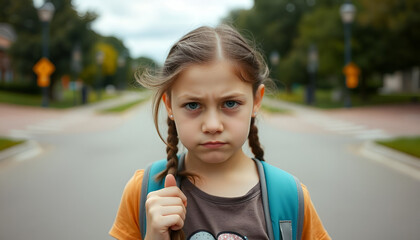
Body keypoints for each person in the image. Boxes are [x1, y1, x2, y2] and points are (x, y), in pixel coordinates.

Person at [109, 24, 330, 240]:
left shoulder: (291, 197)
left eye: (230, 103)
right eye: (193, 105)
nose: (213, 125)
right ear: (169, 105)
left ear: (256, 100)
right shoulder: (143, 192)